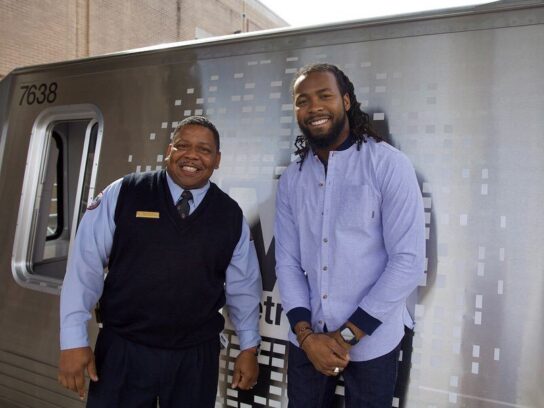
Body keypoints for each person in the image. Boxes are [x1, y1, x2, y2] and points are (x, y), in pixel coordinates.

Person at [58, 116, 262, 407]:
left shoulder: (230, 216)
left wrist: (249, 348)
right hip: (123, 351)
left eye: (204, 150)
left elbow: (244, 287)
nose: (192, 155)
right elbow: (84, 268)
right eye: (182, 145)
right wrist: (73, 340)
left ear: (217, 160)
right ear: (169, 151)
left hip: (195, 359)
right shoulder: (125, 192)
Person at [274, 63, 426, 407]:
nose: (313, 107)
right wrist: (306, 336)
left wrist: (345, 337)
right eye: (302, 100)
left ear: (346, 101)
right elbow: (287, 262)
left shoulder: (388, 164)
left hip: (374, 338)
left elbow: (408, 261)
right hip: (307, 339)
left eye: (324, 96)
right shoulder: (292, 179)